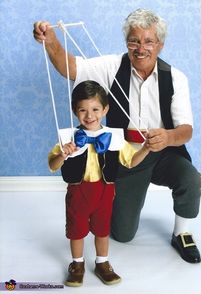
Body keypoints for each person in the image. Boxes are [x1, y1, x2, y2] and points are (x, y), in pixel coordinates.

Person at [34, 8, 201, 263]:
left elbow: (186, 130)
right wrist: (51, 40)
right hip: (127, 156)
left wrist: (167, 138)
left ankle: (182, 232)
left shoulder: (176, 78)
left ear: (160, 45)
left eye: (148, 41)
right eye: (134, 40)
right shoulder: (112, 66)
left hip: (164, 153)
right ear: (127, 43)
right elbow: (70, 68)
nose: (140, 48)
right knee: (122, 234)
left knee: (190, 177)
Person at [48, 80, 150, 286]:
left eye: (95, 109)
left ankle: (102, 262)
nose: (89, 115)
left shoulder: (112, 137)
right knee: (76, 230)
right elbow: (52, 164)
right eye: (83, 110)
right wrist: (63, 154)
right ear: (75, 111)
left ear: (105, 109)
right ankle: (77, 264)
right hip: (78, 191)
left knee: (102, 228)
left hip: (105, 191)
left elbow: (131, 161)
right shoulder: (69, 137)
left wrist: (146, 148)